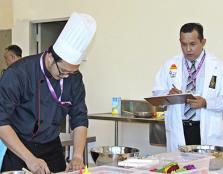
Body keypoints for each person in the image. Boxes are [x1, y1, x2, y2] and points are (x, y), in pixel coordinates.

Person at [0, 11, 96, 173]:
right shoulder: (19, 74)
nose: (66, 76)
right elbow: (1, 121)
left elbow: (79, 118)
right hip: (20, 150)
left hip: (52, 149)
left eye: (71, 73)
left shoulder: (74, 78)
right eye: (63, 71)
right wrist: (29, 159)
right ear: (50, 57)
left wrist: (78, 156)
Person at [152, 23, 223, 152]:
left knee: (205, 170)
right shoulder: (170, 65)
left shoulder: (218, 66)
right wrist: (168, 94)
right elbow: (157, 94)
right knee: (180, 169)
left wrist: (206, 102)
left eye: (193, 44)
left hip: (206, 129)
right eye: (184, 44)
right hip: (179, 129)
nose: (188, 49)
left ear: (203, 42)